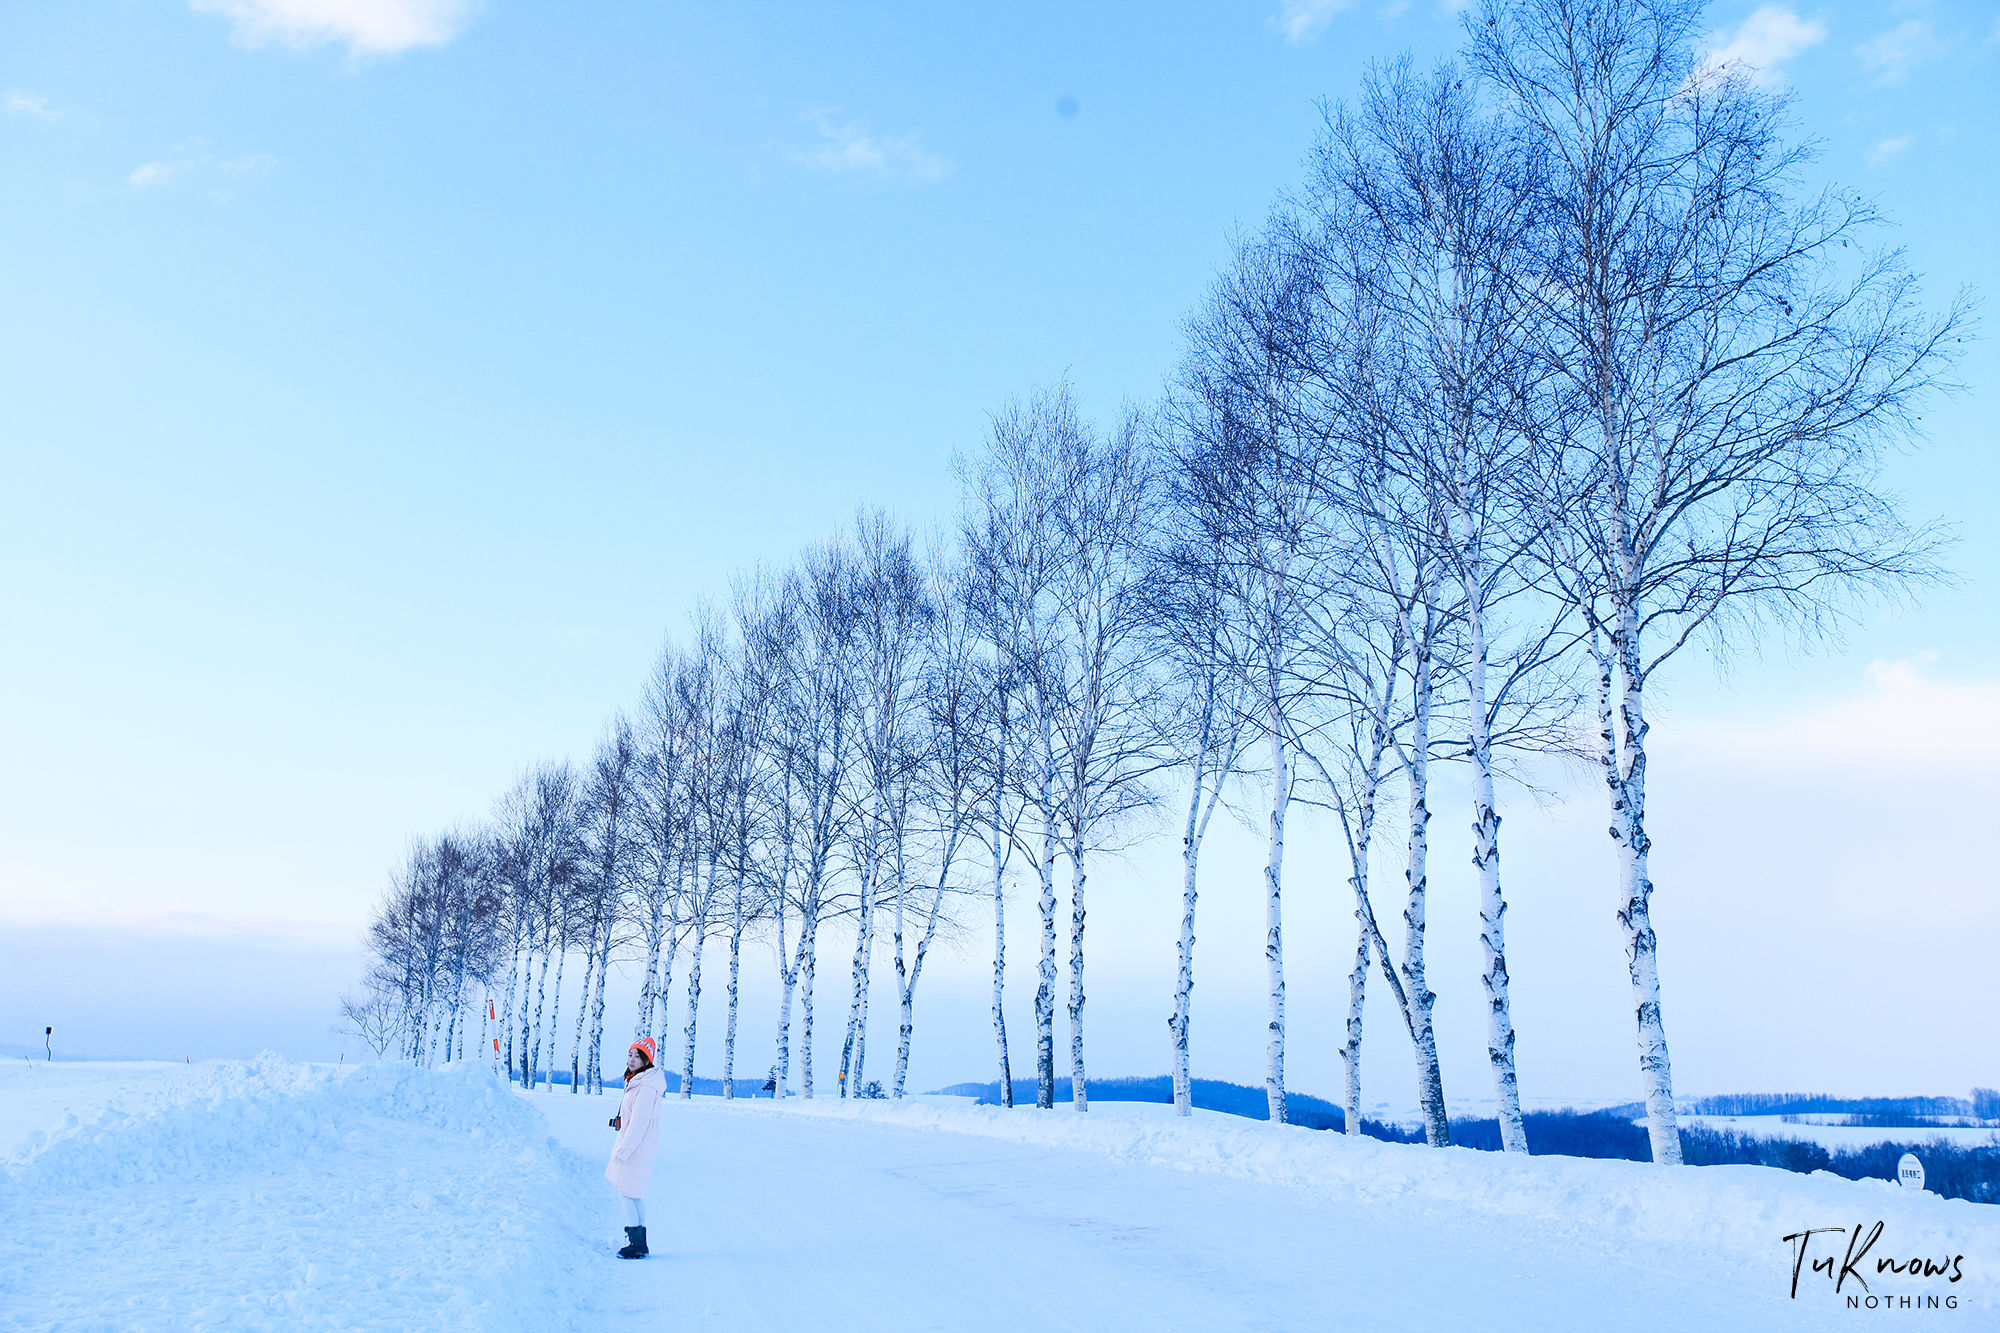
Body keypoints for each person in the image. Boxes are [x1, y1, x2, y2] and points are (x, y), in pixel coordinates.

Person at [606, 1037, 665, 1259]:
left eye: (637, 1056)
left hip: (636, 1148)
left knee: (626, 1193)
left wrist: (622, 1152)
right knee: (634, 1193)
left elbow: (638, 1125)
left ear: (647, 1061)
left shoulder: (646, 1087)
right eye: (630, 1054)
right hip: (638, 1146)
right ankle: (639, 1242)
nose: (632, 1059)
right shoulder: (640, 1082)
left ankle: (636, 1244)